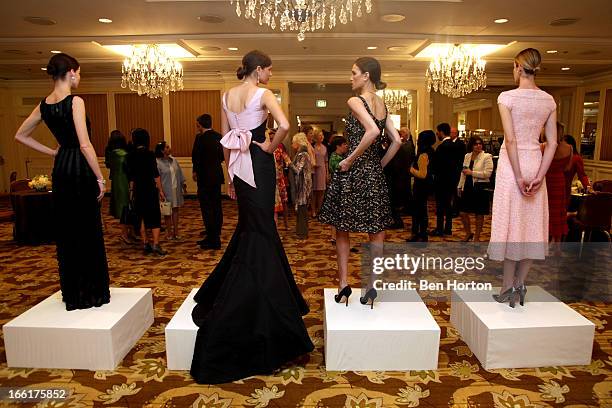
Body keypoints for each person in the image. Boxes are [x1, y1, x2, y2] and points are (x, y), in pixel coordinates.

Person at [190, 50, 313, 384]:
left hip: (238, 169)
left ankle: (276, 298)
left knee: (251, 227)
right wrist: (270, 147)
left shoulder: (227, 95)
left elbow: (227, 143)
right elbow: (285, 125)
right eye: (270, 70)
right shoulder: (263, 93)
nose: (271, 75)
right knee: (260, 231)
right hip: (257, 162)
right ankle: (261, 307)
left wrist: (230, 176)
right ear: (258, 70)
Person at [14, 53, 110, 310]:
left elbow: (20, 135)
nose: (79, 77)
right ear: (71, 72)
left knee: (68, 230)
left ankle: (74, 293)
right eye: (79, 72)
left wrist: (54, 152)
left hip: (61, 168)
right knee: (87, 228)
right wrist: (100, 177)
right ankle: (92, 292)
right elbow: (85, 144)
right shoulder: (75, 101)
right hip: (79, 168)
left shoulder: (44, 105)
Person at [318, 57, 401, 308]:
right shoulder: (382, 105)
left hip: (353, 173)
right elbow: (396, 141)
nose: (350, 77)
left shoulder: (355, 100)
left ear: (366, 76)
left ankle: (344, 284)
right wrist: (379, 165)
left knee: (342, 229)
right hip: (374, 174)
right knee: (376, 231)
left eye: (353, 72)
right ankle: (372, 286)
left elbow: (372, 132)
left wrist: (350, 160)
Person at [488, 48, 558, 308]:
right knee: (531, 227)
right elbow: (552, 143)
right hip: (536, 163)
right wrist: (539, 175)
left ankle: (507, 287)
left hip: (512, 164)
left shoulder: (507, 97)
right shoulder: (548, 100)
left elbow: (510, 139)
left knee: (511, 226)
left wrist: (518, 177)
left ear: (517, 67)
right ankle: (520, 284)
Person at [128, 128, 167, 256]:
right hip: (150, 188)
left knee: (141, 216)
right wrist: (160, 190)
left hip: (138, 189)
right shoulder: (150, 155)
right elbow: (156, 175)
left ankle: (145, 243)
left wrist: (131, 191)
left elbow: (131, 177)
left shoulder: (131, 155)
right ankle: (156, 244)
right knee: (154, 215)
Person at [192, 114, 224, 249]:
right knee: (217, 206)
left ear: (200, 124)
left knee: (206, 208)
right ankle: (215, 234)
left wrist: (195, 172)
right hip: (216, 175)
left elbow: (196, 157)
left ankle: (212, 239)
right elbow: (222, 156)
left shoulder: (200, 138)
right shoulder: (219, 137)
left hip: (204, 177)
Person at [457, 136, 494, 242]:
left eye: (480, 144)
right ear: (471, 145)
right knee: (463, 212)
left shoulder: (487, 156)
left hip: (480, 187)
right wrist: (459, 186)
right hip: (467, 186)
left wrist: (472, 173)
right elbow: (463, 172)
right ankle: (468, 233)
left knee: (479, 214)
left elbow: (488, 174)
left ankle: (476, 238)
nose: (478, 146)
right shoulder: (467, 156)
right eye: (476, 144)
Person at [432, 122, 465, 236]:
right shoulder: (456, 145)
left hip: (441, 180)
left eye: (437, 132)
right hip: (453, 179)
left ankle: (440, 228)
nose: (437, 135)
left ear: (441, 132)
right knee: (449, 205)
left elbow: (436, 166)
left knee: (441, 206)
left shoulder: (442, 147)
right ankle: (448, 228)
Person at [544, 122, 572, 242]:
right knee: (558, 214)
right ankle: (557, 245)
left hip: (546, 182)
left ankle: (544, 244)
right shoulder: (569, 148)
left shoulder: (544, 146)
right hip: (560, 182)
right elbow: (567, 168)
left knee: (546, 212)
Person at [105, 130, 133, 244]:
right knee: (126, 206)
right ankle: (126, 233)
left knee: (122, 207)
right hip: (124, 181)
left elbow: (108, 165)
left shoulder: (110, 153)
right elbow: (130, 169)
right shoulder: (124, 154)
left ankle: (126, 233)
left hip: (116, 182)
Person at [155, 141, 187, 240]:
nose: (169, 148)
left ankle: (176, 231)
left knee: (176, 209)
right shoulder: (157, 162)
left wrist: (183, 185)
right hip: (165, 190)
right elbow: (157, 178)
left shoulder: (174, 160)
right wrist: (160, 190)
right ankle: (169, 232)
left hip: (175, 188)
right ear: (162, 150)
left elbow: (180, 173)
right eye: (167, 147)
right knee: (167, 211)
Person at [409, 130, 436, 242]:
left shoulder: (423, 154)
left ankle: (419, 234)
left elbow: (422, 174)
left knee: (418, 211)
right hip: (426, 185)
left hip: (421, 186)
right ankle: (422, 234)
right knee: (421, 210)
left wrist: (410, 169)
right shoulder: (431, 151)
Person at [289, 133, 313, 240]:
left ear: (298, 143)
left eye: (293, 142)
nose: (291, 144)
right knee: (302, 210)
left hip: (303, 186)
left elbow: (297, 170)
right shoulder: (303, 153)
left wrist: (288, 162)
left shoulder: (302, 154)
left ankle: (302, 233)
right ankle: (301, 231)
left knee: (302, 210)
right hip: (304, 185)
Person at [563, 135, 592, 202]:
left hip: (565, 187)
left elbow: (582, 175)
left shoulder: (576, 158)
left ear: (570, 145)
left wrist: (588, 188)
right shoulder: (557, 155)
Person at [272, 129, 290, 230]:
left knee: (284, 202)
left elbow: (287, 160)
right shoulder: (267, 147)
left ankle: (286, 224)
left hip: (280, 178)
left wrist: (285, 164)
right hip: (272, 179)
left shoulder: (280, 147)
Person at [312, 128, 328, 217]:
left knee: (321, 192)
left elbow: (326, 161)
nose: (322, 137)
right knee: (314, 192)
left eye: (322, 135)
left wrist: (327, 173)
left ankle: (320, 210)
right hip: (314, 171)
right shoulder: (312, 147)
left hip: (322, 170)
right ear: (316, 137)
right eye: (320, 135)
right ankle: (313, 211)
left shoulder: (324, 147)